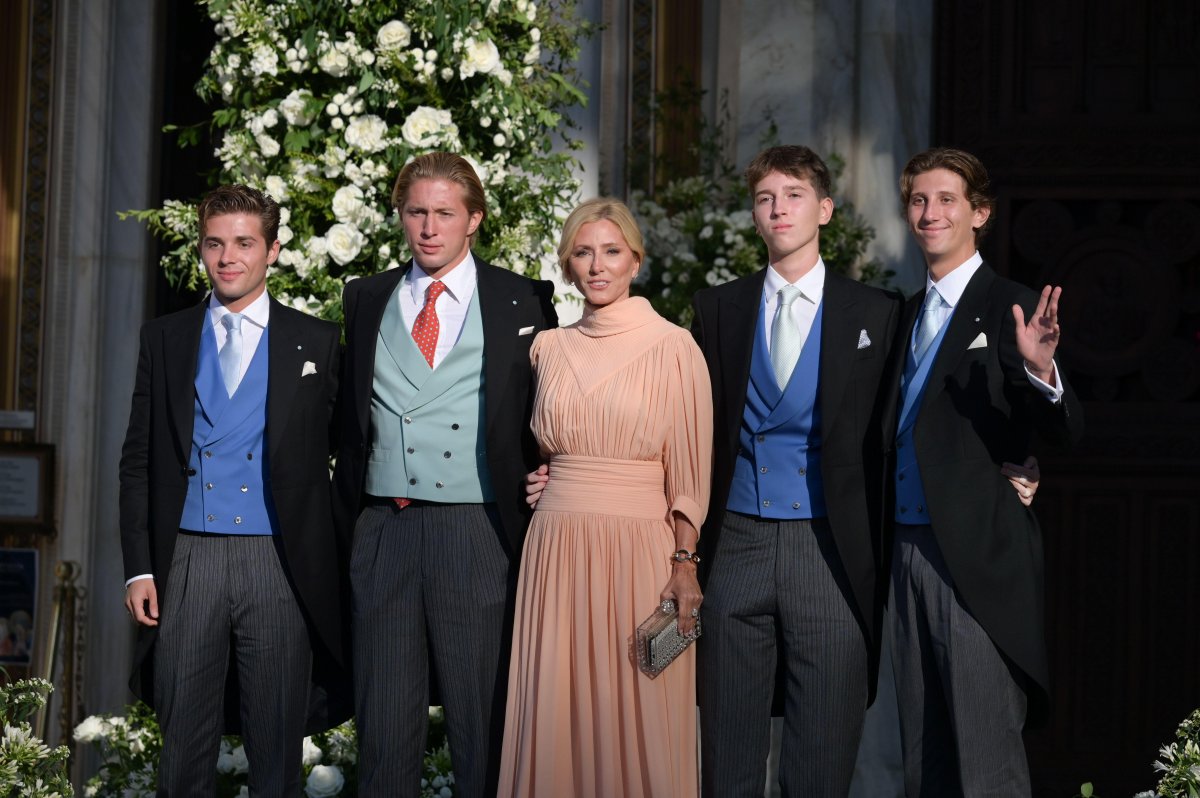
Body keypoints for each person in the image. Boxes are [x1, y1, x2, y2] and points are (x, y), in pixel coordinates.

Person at [332, 152, 558, 798]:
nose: (429, 228)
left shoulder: (523, 298)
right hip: (385, 529)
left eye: (444, 213)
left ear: (474, 219)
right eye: (416, 212)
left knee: (481, 729)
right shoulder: (366, 297)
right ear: (401, 217)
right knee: (383, 735)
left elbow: (555, 400)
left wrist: (557, 469)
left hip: (477, 530)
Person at [690, 145, 903, 796]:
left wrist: (1005, 464)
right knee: (727, 753)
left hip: (830, 550)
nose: (778, 209)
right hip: (736, 544)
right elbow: (684, 424)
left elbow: (907, 424)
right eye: (765, 199)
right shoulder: (718, 309)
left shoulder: (878, 313)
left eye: (793, 195)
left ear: (825, 210)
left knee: (821, 757)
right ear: (754, 216)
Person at [119, 184, 345, 795]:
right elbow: (137, 459)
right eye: (214, 243)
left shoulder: (317, 341)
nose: (227, 258)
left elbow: (349, 450)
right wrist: (140, 568)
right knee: (182, 754)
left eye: (244, 243)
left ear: (272, 250)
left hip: (279, 563)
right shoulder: (164, 337)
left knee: (276, 757)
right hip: (188, 558)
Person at [497, 198, 713, 797]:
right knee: (555, 708)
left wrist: (685, 565)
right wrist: (544, 475)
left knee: (639, 708)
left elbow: (690, 475)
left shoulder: (675, 347)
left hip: (638, 550)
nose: (597, 266)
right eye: (583, 253)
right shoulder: (546, 348)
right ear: (567, 266)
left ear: (635, 261)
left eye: (611, 252)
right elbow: (533, 445)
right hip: (555, 550)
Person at [886, 147, 1083, 796]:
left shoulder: (1010, 305)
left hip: (975, 560)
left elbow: (1064, 430)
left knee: (986, 762)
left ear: (980, 213)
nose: (930, 213)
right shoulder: (902, 315)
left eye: (947, 200)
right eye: (919, 200)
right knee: (925, 763)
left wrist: (1041, 372)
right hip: (904, 553)